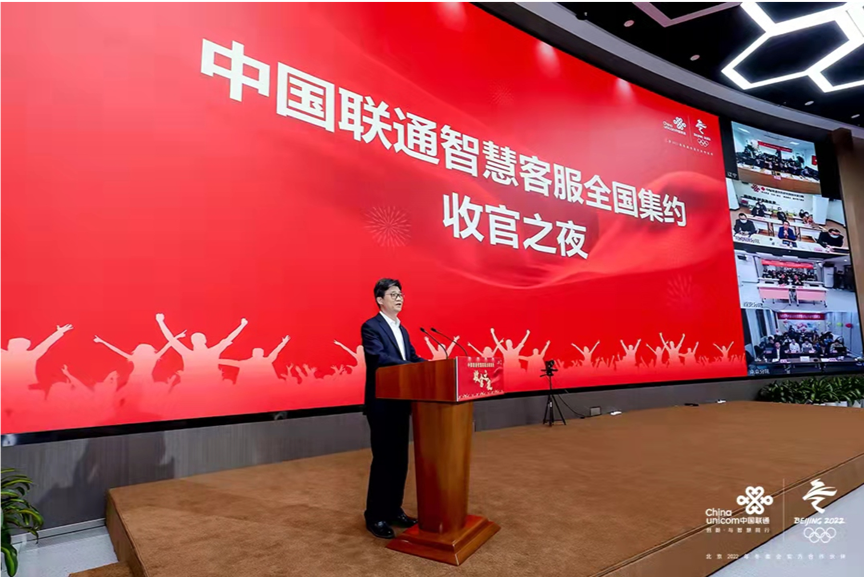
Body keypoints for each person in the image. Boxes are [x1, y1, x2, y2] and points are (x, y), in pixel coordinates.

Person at [361, 278, 424, 539]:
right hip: (381, 404)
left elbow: (411, 357)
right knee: (384, 460)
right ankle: (375, 516)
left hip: (401, 403)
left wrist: (432, 366)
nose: (399, 298)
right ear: (380, 299)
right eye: (394, 294)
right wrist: (411, 366)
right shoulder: (371, 327)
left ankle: (394, 509)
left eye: (401, 294)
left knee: (400, 461)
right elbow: (379, 358)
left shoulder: (402, 329)